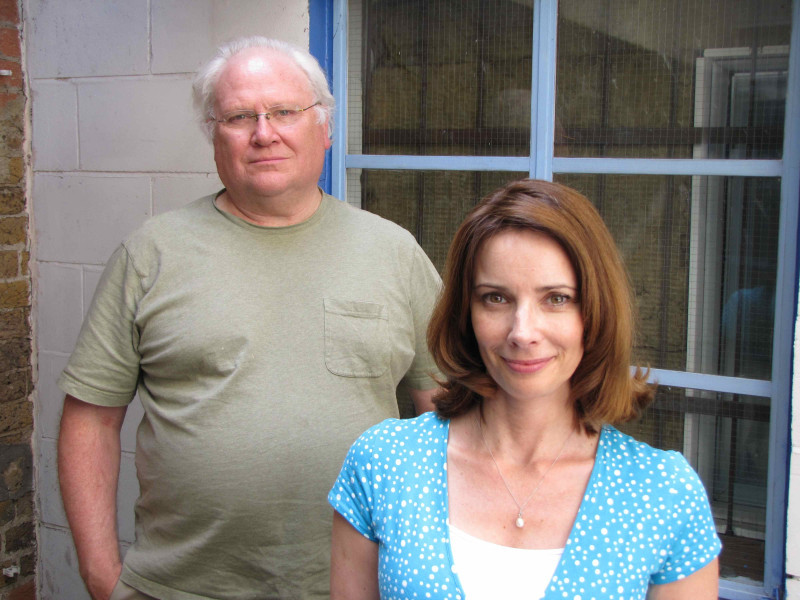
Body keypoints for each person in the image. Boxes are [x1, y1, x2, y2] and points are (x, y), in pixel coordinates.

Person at [57, 37, 441, 600]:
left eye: (285, 111)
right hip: (178, 587)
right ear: (215, 136)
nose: (265, 133)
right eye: (240, 116)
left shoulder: (393, 252)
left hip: (357, 585)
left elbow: (449, 412)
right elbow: (89, 420)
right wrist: (101, 577)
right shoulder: (151, 254)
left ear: (324, 129)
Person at [329, 179, 722, 600]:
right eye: (496, 298)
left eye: (556, 299)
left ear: (596, 310)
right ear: (467, 313)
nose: (523, 332)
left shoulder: (663, 493)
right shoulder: (385, 463)